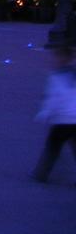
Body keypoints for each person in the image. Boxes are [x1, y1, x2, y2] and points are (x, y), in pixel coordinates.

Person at [32, 45, 76, 183]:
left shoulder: (56, 77)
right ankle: (41, 174)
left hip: (63, 120)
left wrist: (44, 113)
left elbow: (53, 98)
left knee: (52, 147)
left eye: (57, 57)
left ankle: (41, 174)